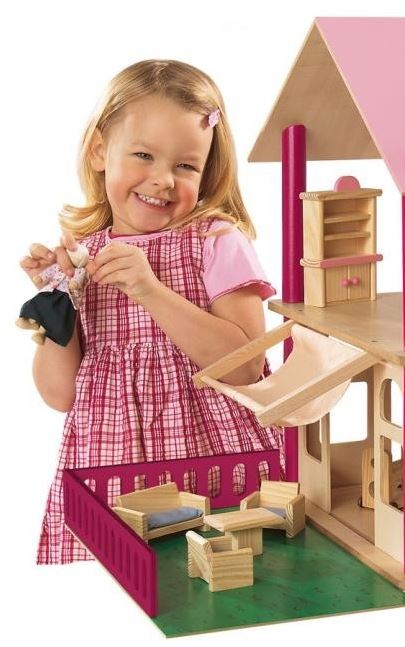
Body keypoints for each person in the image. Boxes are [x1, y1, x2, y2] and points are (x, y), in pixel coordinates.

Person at [19, 60, 280, 564]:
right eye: (143, 155)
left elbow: (246, 366)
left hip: (215, 466)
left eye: (186, 166)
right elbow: (59, 394)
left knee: (227, 570)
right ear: (100, 151)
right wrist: (59, 302)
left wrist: (150, 290)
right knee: (127, 586)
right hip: (113, 471)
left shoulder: (215, 240)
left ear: (206, 171)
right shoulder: (85, 259)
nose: (162, 180)